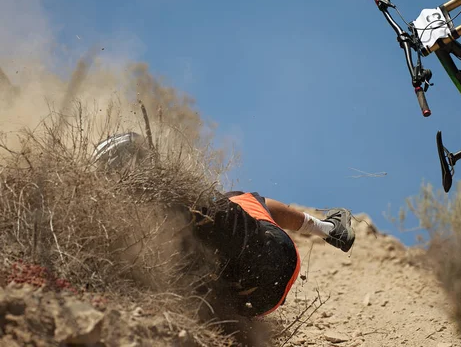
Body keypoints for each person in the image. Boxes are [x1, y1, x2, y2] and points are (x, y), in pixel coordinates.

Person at [91, 132, 355, 317]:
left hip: (250, 296)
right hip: (272, 277)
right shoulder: (186, 197)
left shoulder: (132, 230)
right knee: (240, 200)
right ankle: (329, 230)